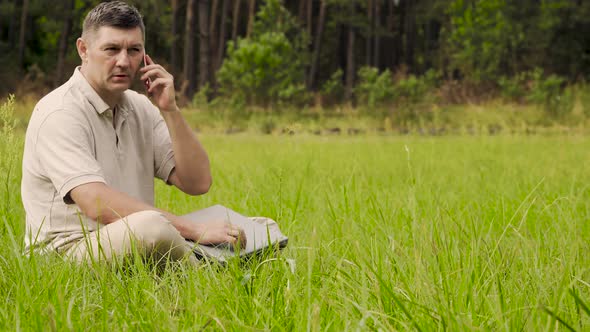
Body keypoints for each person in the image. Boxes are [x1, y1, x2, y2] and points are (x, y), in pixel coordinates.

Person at [21, 1, 245, 265]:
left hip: (135, 242)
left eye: (134, 50)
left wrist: (170, 110)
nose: (124, 61)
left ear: (145, 56)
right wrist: (193, 230)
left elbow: (197, 182)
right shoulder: (59, 112)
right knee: (152, 227)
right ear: (84, 49)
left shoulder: (140, 107)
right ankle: (209, 280)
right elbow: (95, 202)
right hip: (66, 252)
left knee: (257, 226)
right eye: (112, 49)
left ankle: (219, 267)